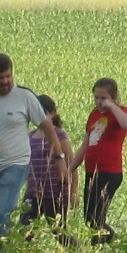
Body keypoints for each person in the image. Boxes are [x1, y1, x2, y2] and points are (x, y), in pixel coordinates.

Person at [0, 53, 64, 234]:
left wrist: (59, 158)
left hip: (16, 164)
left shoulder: (24, 97)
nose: (5, 81)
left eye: (8, 76)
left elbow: (48, 127)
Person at [74, 78, 127, 244]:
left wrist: (113, 107)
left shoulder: (121, 112)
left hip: (109, 171)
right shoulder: (93, 115)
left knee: (97, 218)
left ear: (114, 97)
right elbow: (85, 145)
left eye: (103, 98)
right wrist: (70, 168)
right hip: (92, 171)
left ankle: (102, 248)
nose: (99, 102)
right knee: (89, 218)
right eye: (96, 98)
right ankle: (107, 241)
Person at [21, 92, 75, 231]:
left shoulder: (59, 135)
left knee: (58, 230)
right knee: (24, 230)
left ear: (52, 113)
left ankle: (76, 252)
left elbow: (71, 164)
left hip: (55, 192)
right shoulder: (30, 136)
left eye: (42, 113)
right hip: (33, 193)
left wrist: (73, 191)